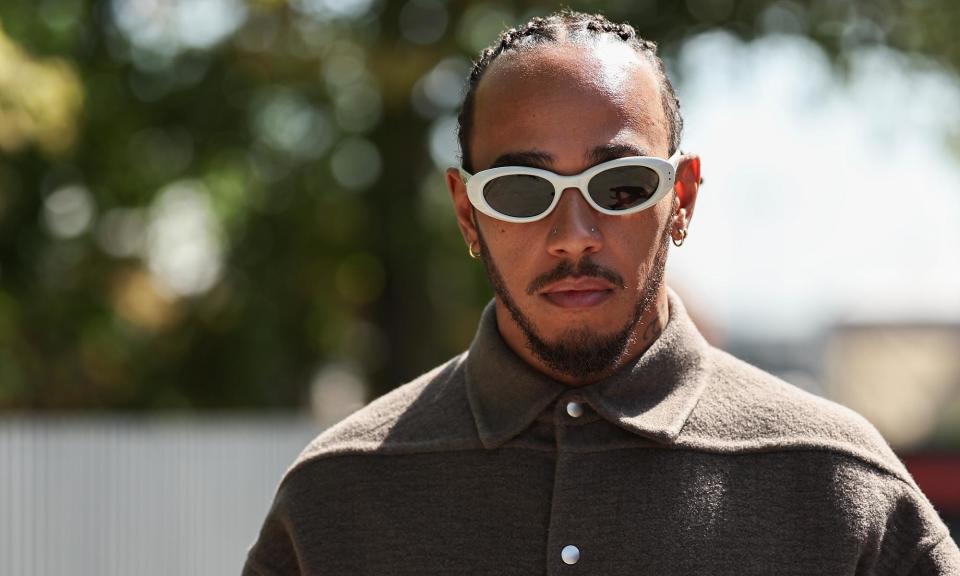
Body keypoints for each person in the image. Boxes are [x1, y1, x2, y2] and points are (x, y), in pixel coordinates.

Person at [243, 10, 959, 575]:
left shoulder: (835, 483)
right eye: (522, 190)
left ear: (681, 198)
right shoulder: (336, 497)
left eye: (620, 186)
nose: (574, 233)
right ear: (467, 212)